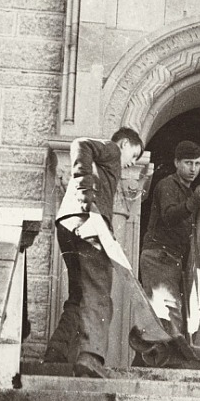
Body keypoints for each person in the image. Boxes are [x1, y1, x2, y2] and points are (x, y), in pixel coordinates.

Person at [45, 127, 144, 378]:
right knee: (99, 291)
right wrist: (84, 191)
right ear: (123, 144)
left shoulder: (106, 162)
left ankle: (56, 351)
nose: (133, 161)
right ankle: (91, 357)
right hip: (90, 224)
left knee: (79, 293)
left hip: (68, 225)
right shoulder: (111, 150)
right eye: (134, 153)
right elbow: (80, 142)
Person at [139, 140, 200, 362]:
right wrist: (195, 200)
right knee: (168, 313)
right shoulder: (167, 186)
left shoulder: (186, 190)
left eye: (198, 164)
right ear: (176, 163)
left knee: (164, 316)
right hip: (158, 257)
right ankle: (174, 364)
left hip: (172, 260)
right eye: (188, 163)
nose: (193, 169)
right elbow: (170, 216)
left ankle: (153, 362)